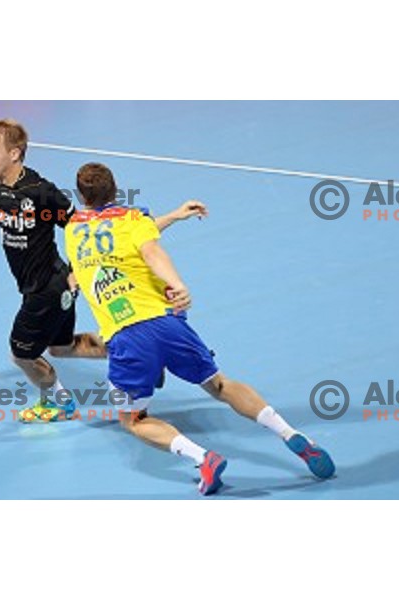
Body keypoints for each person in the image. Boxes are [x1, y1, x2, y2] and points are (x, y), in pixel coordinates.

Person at [65, 162, 335, 495]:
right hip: (167, 323)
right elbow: (145, 245)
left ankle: (202, 458)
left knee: (132, 420)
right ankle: (290, 433)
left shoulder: (72, 230)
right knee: (220, 384)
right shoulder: (133, 220)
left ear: (80, 196)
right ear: (114, 189)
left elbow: (137, 246)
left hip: (126, 337)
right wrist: (177, 278)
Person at [0, 119, 207, 422]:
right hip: (56, 287)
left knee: (21, 355)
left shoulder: (41, 192)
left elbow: (87, 230)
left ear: (15, 154)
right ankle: (142, 355)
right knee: (62, 347)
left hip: (46, 288)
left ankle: (57, 402)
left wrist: (76, 273)